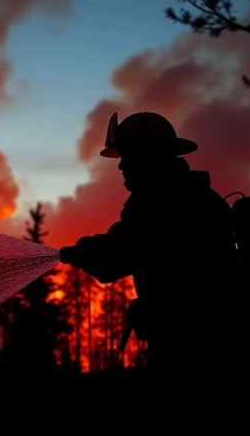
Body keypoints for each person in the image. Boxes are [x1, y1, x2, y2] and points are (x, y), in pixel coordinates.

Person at [59, 112, 240, 380]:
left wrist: (79, 252)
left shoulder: (162, 201)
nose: (121, 167)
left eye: (127, 157)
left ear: (148, 156)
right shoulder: (194, 195)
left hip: (191, 354)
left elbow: (118, 254)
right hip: (210, 346)